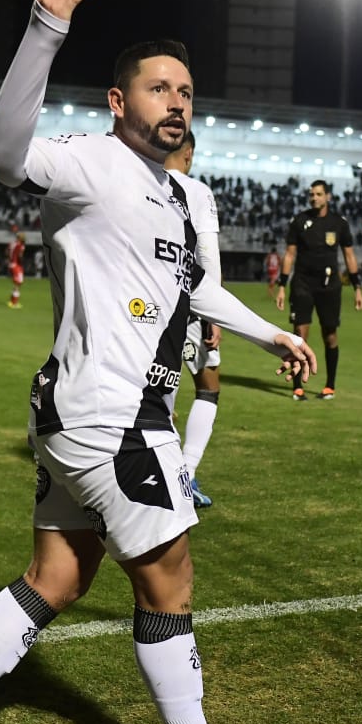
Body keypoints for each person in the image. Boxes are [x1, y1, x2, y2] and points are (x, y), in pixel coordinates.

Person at [0, 0, 312, 724]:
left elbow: (193, 290)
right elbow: (2, 153)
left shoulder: (177, 198)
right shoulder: (90, 163)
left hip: (78, 414)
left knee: (60, 575)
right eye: (159, 88)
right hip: (112, 421)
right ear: (121, 103)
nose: (178, 102)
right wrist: (45, 30)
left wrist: (270, 334)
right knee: (169, 576)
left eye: (187, 91)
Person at [163, 130, 220, 508]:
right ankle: (185, 472)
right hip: (190, 300)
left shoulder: (141, 181)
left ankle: (153, 472)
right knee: (208, 388)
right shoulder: (197, 191)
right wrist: (214, 315)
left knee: (153, 389)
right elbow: (208, 255)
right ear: (189, 153)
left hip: (146, 301)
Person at [274, 179, 362, 401]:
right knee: (299, 335)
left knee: (330, 335)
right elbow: (290, 254)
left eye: (319, 194)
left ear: (328, 197)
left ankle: (329, 386)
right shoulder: (299, 221)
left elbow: (349, 255)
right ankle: (298, 388)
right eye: (312, 194)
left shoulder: (339, 224)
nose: (314, 197)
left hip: (330, 287)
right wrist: (282, 286)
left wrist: (357, 287)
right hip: (303, 284)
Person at [7, 231, 26, 308]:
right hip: (17, 265)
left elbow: (7, 252)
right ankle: (14, 303)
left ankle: (12, 302)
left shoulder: (12, 243)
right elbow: (20, 256)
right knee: (18, 283)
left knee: (17, 283)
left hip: (11, 264)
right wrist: (21, 262)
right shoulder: (21, 245)